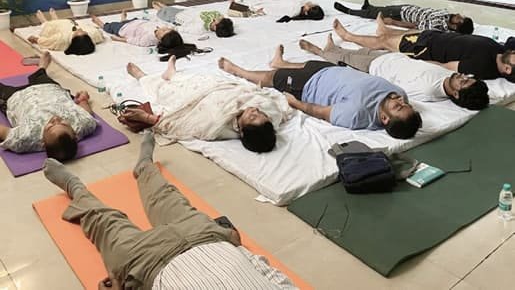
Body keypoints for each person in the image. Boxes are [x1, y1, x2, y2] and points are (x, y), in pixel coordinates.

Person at [42, 133, 297, 289]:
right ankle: (144, 166)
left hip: (146, 266)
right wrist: (237, 247)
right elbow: (273, 276)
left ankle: (74, 187)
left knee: (104, 222)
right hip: (207, 238)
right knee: (165, 196)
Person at [218, 45, 422, 140]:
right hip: (330, 70)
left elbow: (320, 111)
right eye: (406, 105)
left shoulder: (356, 114)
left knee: (273, 77)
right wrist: (401, 103)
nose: (401, 100)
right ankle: (281, 63)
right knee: (304, 64)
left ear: (384, 118)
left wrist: (295, 103)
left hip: (308, 85)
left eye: (398, 107)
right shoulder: (400, 94)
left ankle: (237, 70)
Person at [117, 56, 290, 153]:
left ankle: (143, 76)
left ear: (242, 130)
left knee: (166, 93)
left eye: (252, 116)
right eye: (262, 114)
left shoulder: (215, 127)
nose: (255, 110)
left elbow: (180, 126)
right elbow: (273, 102)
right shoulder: (271, 115)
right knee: (200, 78)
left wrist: (146, 117)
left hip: (196, 99)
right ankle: (173, 74)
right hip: (218, 87)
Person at [299, 35, 489, 110]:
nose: (463, 76)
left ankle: (318, 51)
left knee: (345, 59)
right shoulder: (447, 77)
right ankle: (332, 48)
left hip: (375, 67)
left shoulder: (428, 90)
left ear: (456, 94)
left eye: (464, 82)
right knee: (353, 52)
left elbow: (397, 88)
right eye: (468, 78)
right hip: (391, 58)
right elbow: (428, 64)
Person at [332, 15, 515, 82]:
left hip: (425, 48)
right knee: (393, 36)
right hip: (437, 37)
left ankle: (348, 37)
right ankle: (385, 30)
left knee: (384, 42)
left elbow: (446, 67)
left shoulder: (483, 67)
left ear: (507, 69)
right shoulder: (500, 51)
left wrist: (418, 59)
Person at [0, 52, 96, 160]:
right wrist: (83, 99)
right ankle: (41, 67)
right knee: (41, 75)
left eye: (50, 126)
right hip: (48, 89)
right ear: (74, 134)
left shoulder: (25, 138)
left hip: (17, 97)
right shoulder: (83, 125)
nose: (55, 119)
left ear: (43, 142)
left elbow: (3, 131)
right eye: (63, 123)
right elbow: (86, 112)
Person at [334, 0, 474, 34]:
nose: (457, 14)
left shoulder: (436, 26)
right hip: (409, 8)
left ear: (455, 25)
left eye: (459, 18)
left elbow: (412, 26)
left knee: (376, 14)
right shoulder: (447, 15)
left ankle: (350, 11)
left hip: (401, 15)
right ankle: (368, 6)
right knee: (384, 8)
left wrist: (393, 22)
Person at [27, 9, 104, 55]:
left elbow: (47, 42)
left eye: (77, 32)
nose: (80, 30)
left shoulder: (62, 39)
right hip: (70, 24)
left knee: (49, 26)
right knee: (68, 22)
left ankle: (44, 21)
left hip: (57, 29)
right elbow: (99, 34)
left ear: (74, 39)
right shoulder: (92, 35)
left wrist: (36, 39)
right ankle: (55, 19)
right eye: (84, 32)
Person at [91, 11, 180, 48]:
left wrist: (119, 39)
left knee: (111, 26)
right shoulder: (163, 27)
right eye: (166, 29)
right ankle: (123, 20)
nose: (164, 28)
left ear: (160, 40)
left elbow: (135, 41)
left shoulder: (149, 39)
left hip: (124, 29)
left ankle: (100, 24)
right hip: (136, 22)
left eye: (163, 31)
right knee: (131, 20)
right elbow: (172, 27)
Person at [233, 0, 324, 23]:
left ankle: (245, 0)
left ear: (306, 12)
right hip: (282, 1)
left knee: (271, 4)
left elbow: (278, 11)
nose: (311, 3)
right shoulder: (301, 5)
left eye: (311, 6)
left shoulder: (294, 11)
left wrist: (263, 11)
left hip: (279, 6)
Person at [153, 2, 235, 38]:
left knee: (162, 12)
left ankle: (161, 8)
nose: (220, 17)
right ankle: (165, 7)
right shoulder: (217, 16)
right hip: (188, 12)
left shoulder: (200, 28)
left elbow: (185, 29)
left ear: (215, 25)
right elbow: (223, 18)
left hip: (179, 17)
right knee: (170, 8)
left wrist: (174, 28)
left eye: (220, 20)